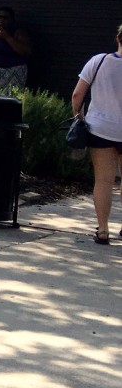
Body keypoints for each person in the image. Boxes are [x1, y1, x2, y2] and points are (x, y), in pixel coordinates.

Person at [72, 25, 122, 245]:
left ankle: (103, 229)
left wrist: (78, 117)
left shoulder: (98, 61)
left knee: (104, 181)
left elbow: (77, 95)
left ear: (118, 37)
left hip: (100, 129)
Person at [0, 6, 32, 89]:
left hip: (9, 71)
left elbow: (26, 51)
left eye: (5, 18)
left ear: (12, 20)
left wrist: (7, 37)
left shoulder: (17, 33)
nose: (2, 20)